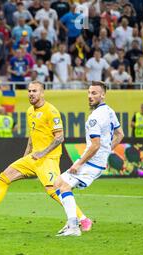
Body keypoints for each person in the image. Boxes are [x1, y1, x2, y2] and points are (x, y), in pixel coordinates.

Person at [0, 81, 91, 231]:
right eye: (29, 91)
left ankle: (83, 219)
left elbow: (59, 137)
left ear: (42, 93)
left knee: (54, 190)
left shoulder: (51, 111)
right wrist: (25, 156)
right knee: (4, 177)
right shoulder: (29, 111)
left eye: (35, 91)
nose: (31, 94)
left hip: (48, 159)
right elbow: (32, 136)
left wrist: (43, 153)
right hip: (33, 158)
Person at [53, 82, 124, 236]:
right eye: (89, 93)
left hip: (91, 163)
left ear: (103, 95)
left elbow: (95, 145)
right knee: (57, 184)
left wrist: (79, 163)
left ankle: (73, 227)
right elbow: (120, 134)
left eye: (95, 93)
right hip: (97, 161)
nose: (90, 96)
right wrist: (107, 151)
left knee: (64, 187)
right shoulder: (109, 111)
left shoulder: (95, 118)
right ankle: (71, 221)